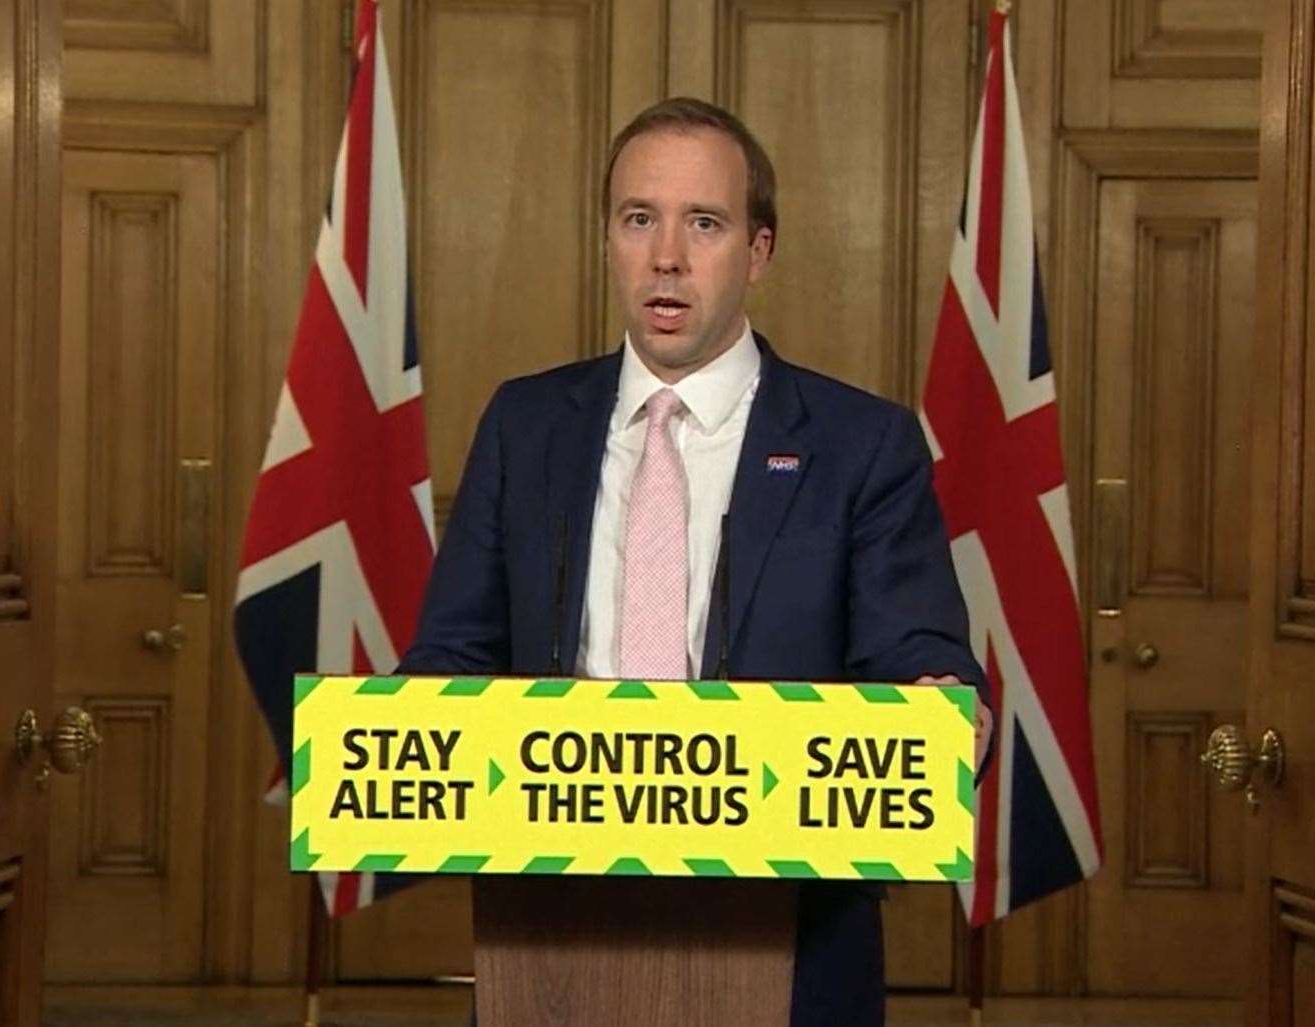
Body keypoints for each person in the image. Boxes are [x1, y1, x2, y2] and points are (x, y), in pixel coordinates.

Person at [401, 96, 987, 1027]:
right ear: (608, 240)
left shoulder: (860, 445)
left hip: (787, 950)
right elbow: (450, 661)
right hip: (550, 941)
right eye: (640, 220)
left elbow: (921, 662)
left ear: (757, 252)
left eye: (703, 224)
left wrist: (942, 714)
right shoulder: (525, 424)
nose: (666, 256)